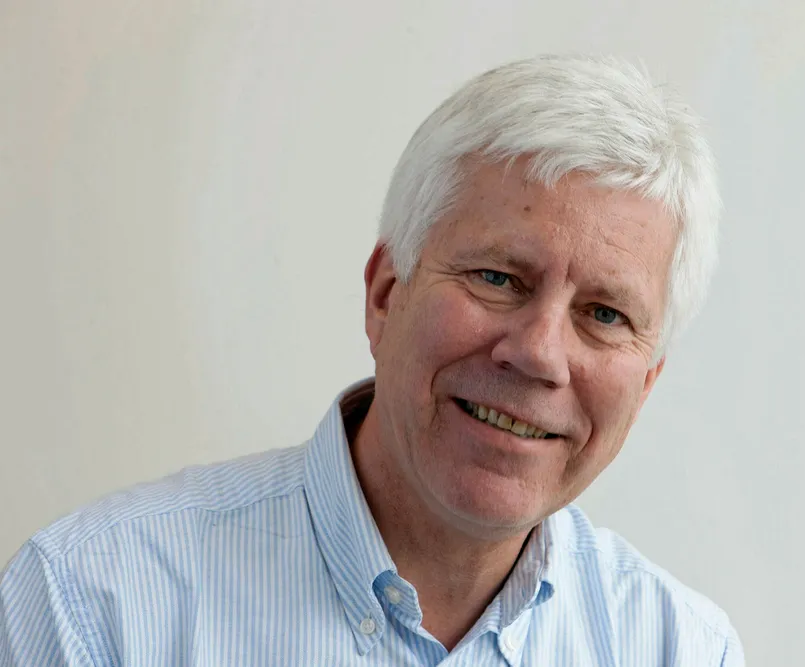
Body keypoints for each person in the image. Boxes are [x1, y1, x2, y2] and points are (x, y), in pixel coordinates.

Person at [0, 54, 742, 666]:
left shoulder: (681, 648)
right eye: (497, 277)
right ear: (386, 294)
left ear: (647, 383)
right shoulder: (93, 604)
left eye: (605, 315)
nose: (540, 353)